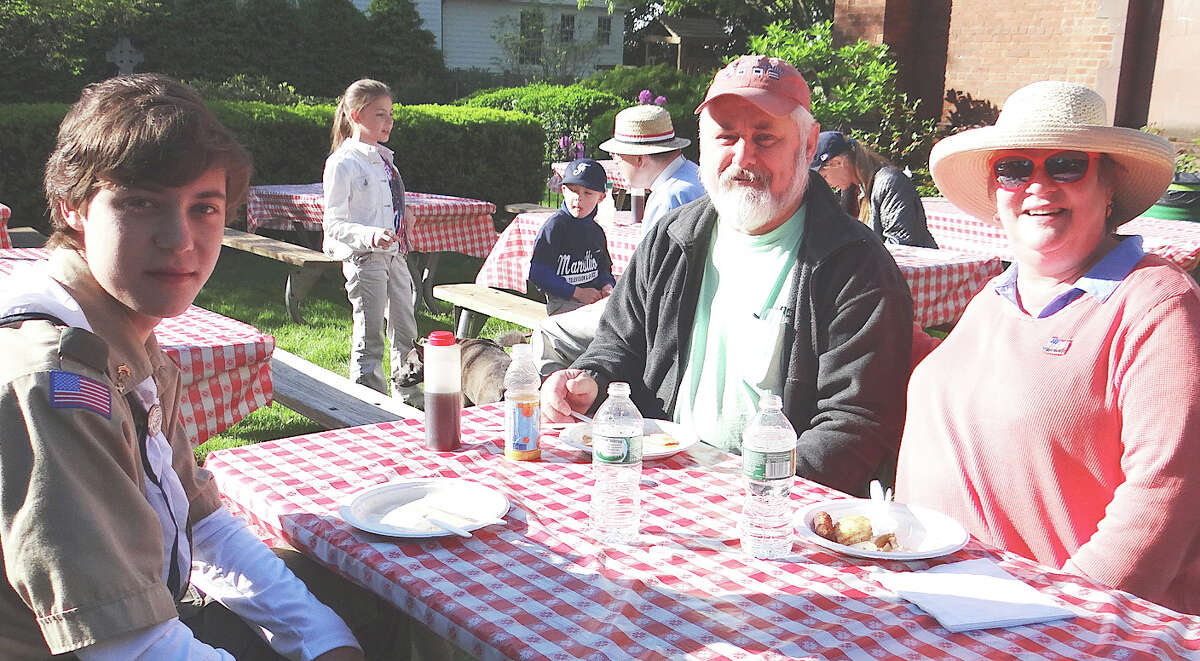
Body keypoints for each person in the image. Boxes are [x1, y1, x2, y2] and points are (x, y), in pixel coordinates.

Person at [0, 74, 366, 659]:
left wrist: (323, 640)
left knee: (358, 595)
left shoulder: (126, 340)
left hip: (149, 606)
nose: (179, 240)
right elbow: (124, 646)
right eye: (141, 203)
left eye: (205, 208)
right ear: (73, 207)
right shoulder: (54, 380)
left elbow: (199, 520)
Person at [541, 56, 914, 496]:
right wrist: (591, 377)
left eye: (764, 137)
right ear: (703, 145)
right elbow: (619, 340)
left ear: (809, 146)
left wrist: (748, 492)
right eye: (727, 137)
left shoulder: (858, 267)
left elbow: (855, 425)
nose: (743, 157)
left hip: (776, 513)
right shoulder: (671, 236)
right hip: (660, 485)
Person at [895, 81, 1200, 614]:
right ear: (995, 192)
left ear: (1110, 186)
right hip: (942, 601)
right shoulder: (998, 294)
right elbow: (974, 391)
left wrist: (1059, 614)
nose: (1038, 185)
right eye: (1014, 169)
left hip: (1052, 625)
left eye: (1065, 165)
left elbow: (1165, 495)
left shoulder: (1157, 303)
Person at [532, 104, 706, 377]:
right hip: (688, 312)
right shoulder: (693, 176)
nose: (614, 163)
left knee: (550, 333)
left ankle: (562, 412)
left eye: (616, 155)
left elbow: (653, 285)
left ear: (639, 158)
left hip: (667, 322)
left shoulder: (669, 197)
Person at [323, 78, 418, 399]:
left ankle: (409, 399)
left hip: (395, 256)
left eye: (391, 114)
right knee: (370, 334)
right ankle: (367, 404)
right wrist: (370, 234)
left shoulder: (385, 160)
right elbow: (334, 224)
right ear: (356, 115)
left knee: (406, 331)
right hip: (365, 261)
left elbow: (384, 205)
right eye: (380, 114)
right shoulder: (343, 163)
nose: (389, 122)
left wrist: (403, 219)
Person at [811, 130, 938, 248]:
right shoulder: (850, 191)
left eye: (824, 176)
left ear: (838, 162)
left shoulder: (891, 183)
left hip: (915, 269)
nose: (825, 183)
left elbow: (901, 245)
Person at [600, 103, 707, 235]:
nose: (616, 165)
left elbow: (654, 255)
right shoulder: (695, 173)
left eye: (617, 158)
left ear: (639, 159)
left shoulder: (666, 199)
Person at [528, 158, 617, 315]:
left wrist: (607, 286)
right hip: (563, 302)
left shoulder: (596, 231)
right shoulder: (555, 227)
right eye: (573, 190)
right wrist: (577, 292)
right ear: (563, 191)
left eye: (587, 193)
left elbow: (603, 268)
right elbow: (538, 273)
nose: (578, 198)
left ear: (601, 197)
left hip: (592, 301)